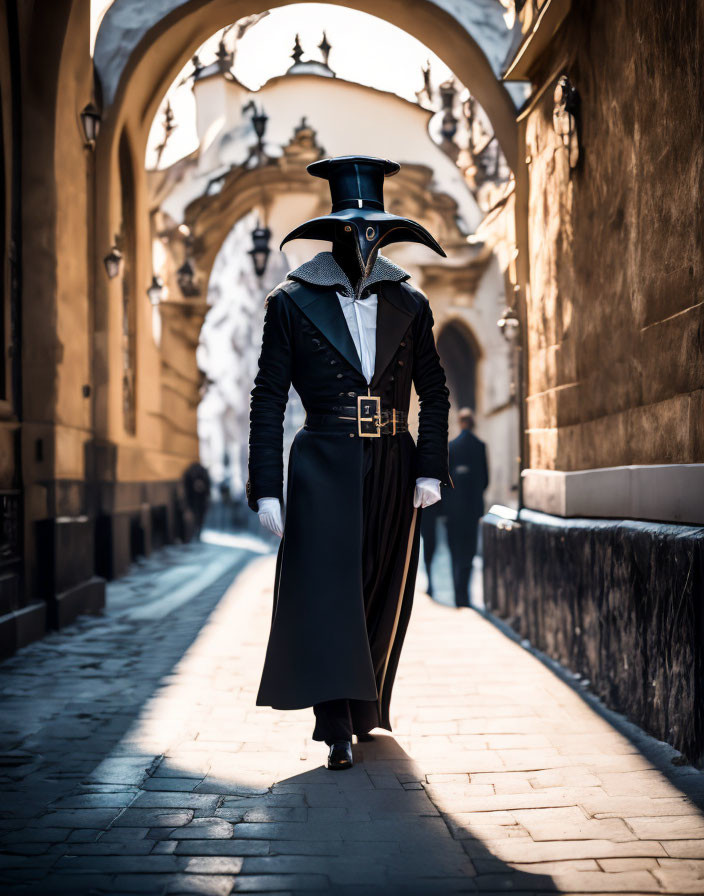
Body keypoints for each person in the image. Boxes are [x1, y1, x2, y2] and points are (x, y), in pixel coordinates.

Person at [247, 155, 451, 770]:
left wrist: (429, 469)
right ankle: (333, 723)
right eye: (352, 230)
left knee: (375, 584)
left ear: (386, 233)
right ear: (333, 233)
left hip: (394, 459)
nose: (363, 241)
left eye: (374, 230)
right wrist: (266, 489)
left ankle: (364, 708)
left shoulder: (410, 304)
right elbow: (268, 395)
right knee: (328, 592)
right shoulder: (289, 302)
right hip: (322, 465)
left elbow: (434, 390)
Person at [445, 408, 489, 608]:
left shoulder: (451, 447)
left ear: (460, 423)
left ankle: (457, 595)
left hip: (453, 511)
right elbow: (485, 481)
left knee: (455, 551)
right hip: (472, 510)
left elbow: (445, 483)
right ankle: (466, 596)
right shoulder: (480, 446)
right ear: (473, 423)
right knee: (469, 552)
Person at [183, 461, 211, 540]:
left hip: (200, 501)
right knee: (195, 517)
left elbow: (208, 489)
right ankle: (194, 533)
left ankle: (197, 533)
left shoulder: (202, 474)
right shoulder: (190, 475)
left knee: (200, 517)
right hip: (193, 500)